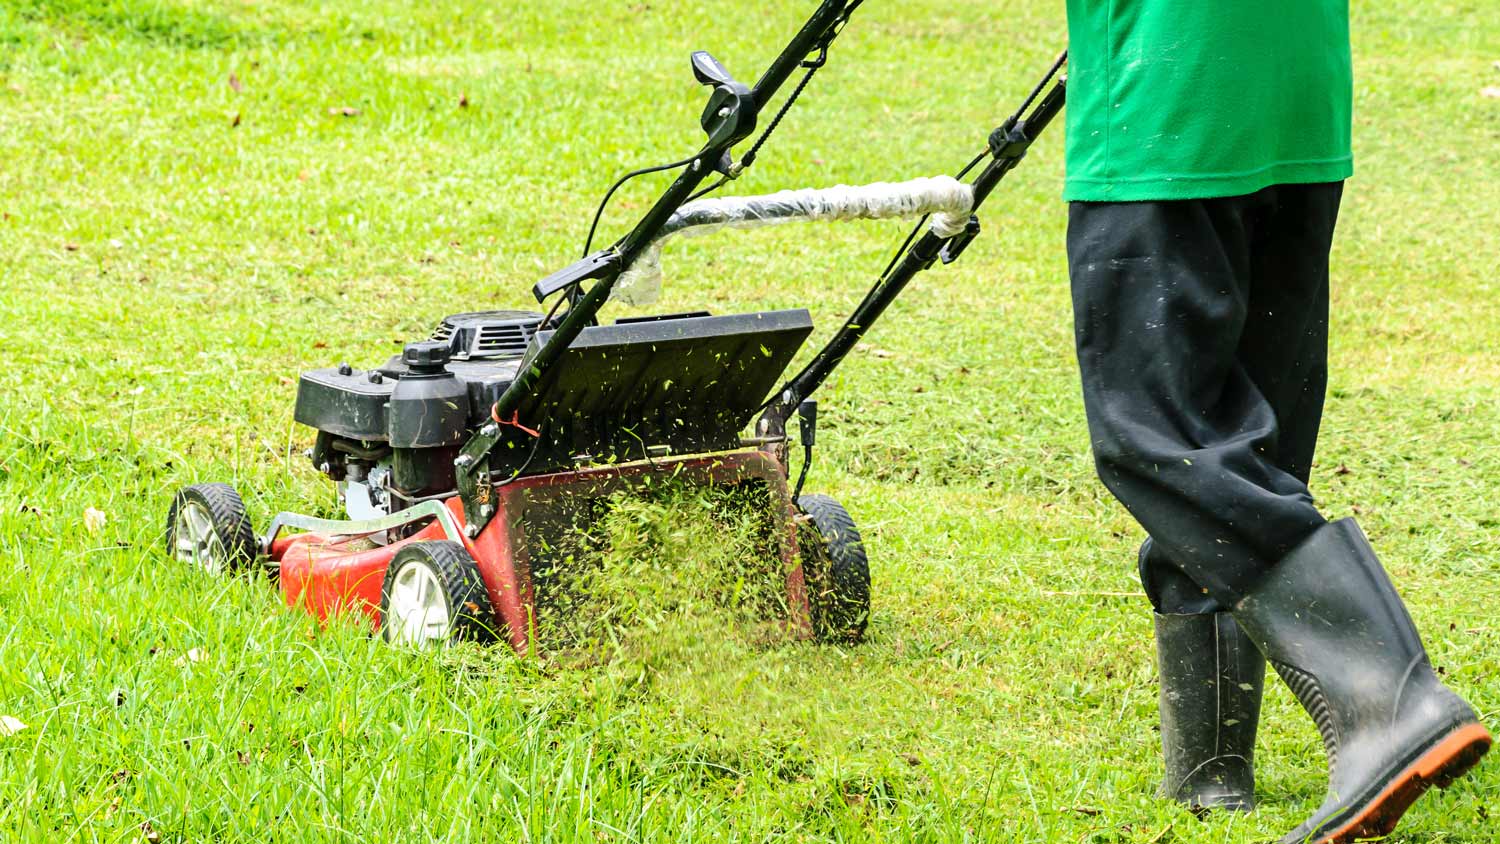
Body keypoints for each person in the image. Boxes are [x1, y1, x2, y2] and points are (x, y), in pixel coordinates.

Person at [1061, 2, 1490, 842]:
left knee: (1163, 437)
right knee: (1244, 438)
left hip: (1168, 98)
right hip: (1297, 90)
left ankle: (1388, 703)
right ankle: (1210, 770)